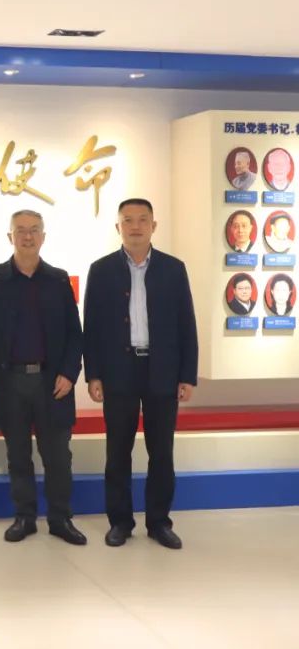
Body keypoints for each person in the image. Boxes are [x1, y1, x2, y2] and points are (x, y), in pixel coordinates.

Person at [84, 198, 197, 550]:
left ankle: (159, 522)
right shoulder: (101, 270)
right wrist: (93, 374)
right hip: (118, 370)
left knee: (161, 451)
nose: (135, 226)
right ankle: (120, 522)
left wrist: (187, 375)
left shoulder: (173, 269)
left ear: (153, 226)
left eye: (142, 220)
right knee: (118, 451)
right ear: (118, 227)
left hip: (162, 369)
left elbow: (186, 323)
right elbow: (92, 327)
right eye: (128, 220)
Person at [0, 210, 86, 545]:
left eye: (34, 230)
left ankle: (60, 518)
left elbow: (74, 334)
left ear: (43, 236)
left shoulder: (58, 280)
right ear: (10, 237)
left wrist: (69, 373)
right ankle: (24, 517)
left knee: (58, 456)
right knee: (18, 455)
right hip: (9, 382)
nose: (27, 236)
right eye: (20, 230)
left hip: (52, 383)